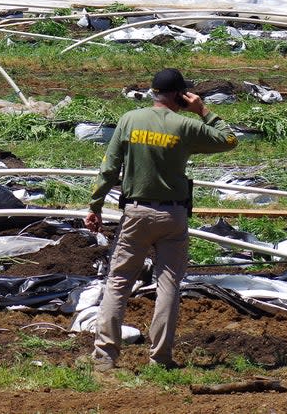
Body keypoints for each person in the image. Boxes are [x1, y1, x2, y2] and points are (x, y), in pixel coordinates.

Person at [84, 68, 238, 371]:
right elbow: (229, 140)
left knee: (118, 283)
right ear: (180, 94)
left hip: (136, 214)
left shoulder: (130, 120)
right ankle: (160, 358)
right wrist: (203, 111)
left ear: (153, 91)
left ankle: (105, 355)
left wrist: (95, 205)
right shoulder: (185, 125)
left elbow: (109, 167)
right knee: (168, 285)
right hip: (173, 215)